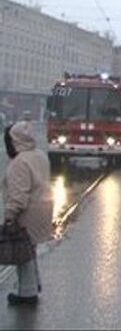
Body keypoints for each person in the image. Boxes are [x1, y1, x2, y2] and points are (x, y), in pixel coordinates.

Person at [3, 121, 53, 306]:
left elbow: (19, 194)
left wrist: (10, 215)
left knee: (22, 253)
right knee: (29, 250)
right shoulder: (39, 155)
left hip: (28, 212)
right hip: (43, 208)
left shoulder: (20, 162)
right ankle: (33, 286)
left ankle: (27, 293)